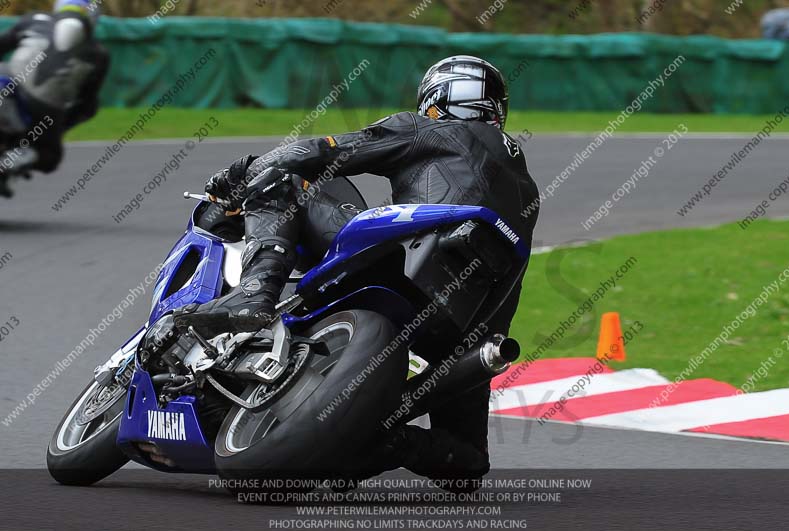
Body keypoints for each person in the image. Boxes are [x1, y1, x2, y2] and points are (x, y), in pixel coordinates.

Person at [174, 55, 541, 487]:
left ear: (435, 98)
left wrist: (241, 171)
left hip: (400, 259)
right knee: (467, 465)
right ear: (497, 109)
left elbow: (321, 151)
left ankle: (256, 292)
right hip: (465, 325)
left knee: (284, 178)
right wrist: (477, 359)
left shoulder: (425, 127)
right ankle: (386, 441)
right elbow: (509, 287)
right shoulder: (526, 188)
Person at [0, 0, 109, 198]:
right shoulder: (100, 54)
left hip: (10, 86)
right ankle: (25, 153)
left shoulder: (33, 19)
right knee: (50, 156)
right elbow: (87, 104)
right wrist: (60, 126)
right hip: (43, 109)